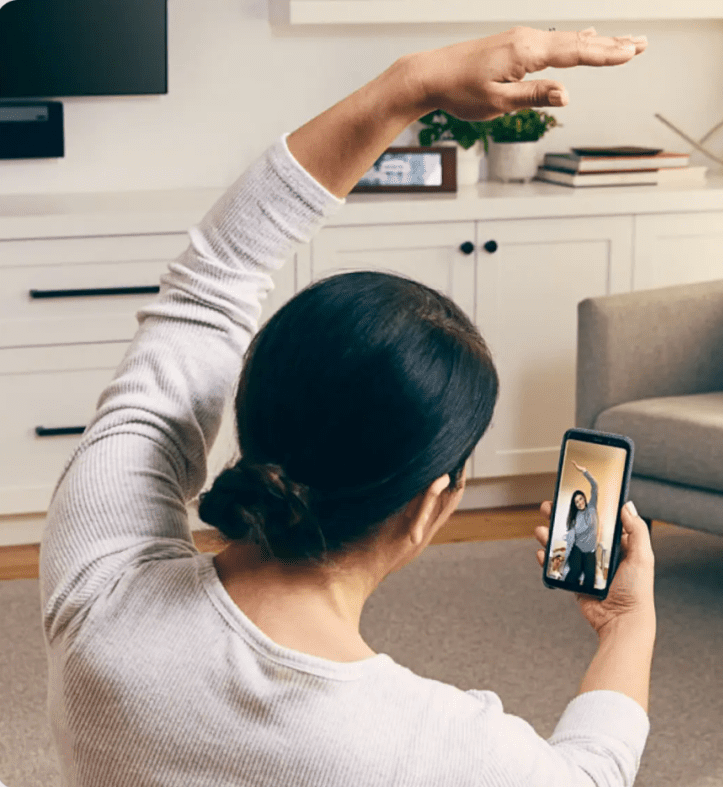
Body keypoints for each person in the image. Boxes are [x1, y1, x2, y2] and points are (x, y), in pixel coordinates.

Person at [38, 26, 656, 787]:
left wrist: (412, 83)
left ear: (252, 404)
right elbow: (592, 773)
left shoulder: (100, 583)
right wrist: (628, 622)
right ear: (433, 503)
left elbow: (215, 277)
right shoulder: (445, 749)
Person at [560, 461, 601, 587]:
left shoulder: (592, 507)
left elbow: (595, 486)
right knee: (575, 571)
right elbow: (573, 535)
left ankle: (586, 598)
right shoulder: (575, 517)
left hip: (590, 551)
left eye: (580, 499)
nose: (579, 503)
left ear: (584, 498)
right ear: (575, 505)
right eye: (576, 502)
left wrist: (584, 471)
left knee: (590, 578)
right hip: (577, 549)